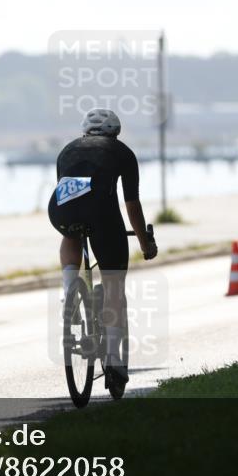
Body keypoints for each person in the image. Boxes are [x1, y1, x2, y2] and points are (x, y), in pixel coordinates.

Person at [47, 108, 158, 387]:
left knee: (71, 233)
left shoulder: (67, 150)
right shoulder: (122, 153)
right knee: (113, 287)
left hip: (60, 212)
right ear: (115, 134)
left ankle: (70, 289)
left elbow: (70, 195)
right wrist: (145, 243)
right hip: (102, 216)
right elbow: (132, 205)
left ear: (85, 131)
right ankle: (113, 359)